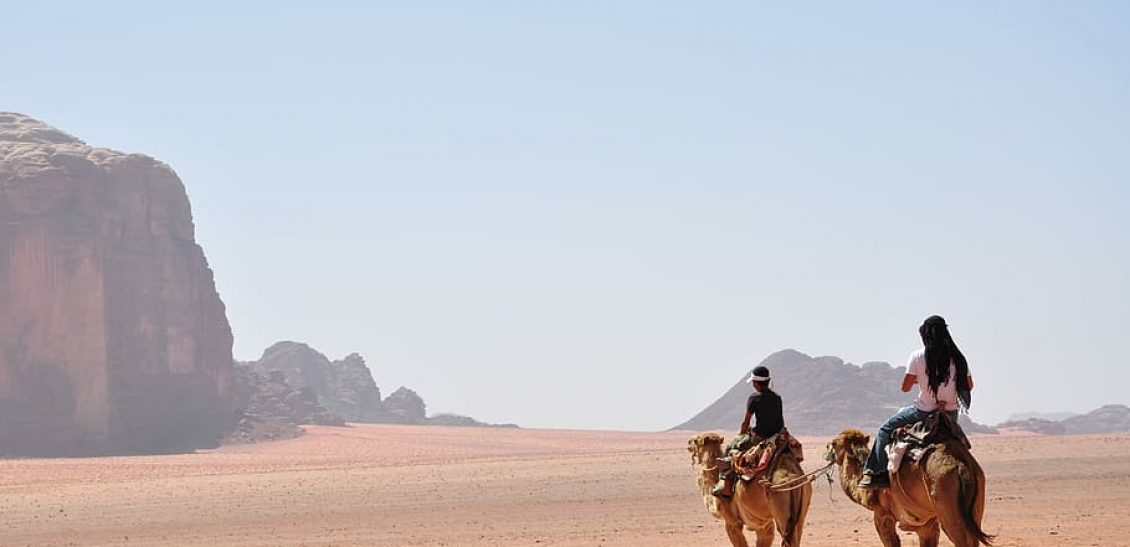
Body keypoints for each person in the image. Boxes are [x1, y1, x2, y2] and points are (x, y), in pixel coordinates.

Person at [859, 315, 975, 489]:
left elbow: (905, 387)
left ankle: (876, 474)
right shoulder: (959, 358)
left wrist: (920, 380)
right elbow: (969, 386)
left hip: (922, 412)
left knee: (884, 430)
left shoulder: (918, 356)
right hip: (950, 415)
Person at [712, 365, 785, 499]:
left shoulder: (754, 397)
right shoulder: (777, 397)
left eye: (753, 382)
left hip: (759, 437)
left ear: (757, 383)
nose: (753, 385)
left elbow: (746, 421)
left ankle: (725, 488)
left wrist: (741, 435)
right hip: (778, 436)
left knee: (730, 448)